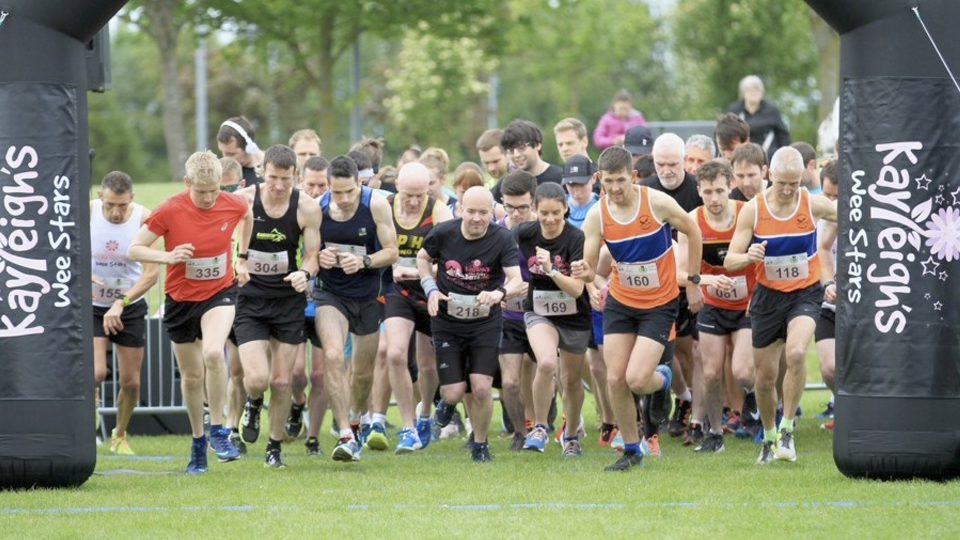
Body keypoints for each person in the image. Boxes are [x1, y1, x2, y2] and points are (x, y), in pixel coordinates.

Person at [576, 145, 704, 471]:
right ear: (598, 181)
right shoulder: (597, 215)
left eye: (620, 180)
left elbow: (692, 229)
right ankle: (632, 450)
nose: (615, 189)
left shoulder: (655, 202)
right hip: (621, 302)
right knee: (615, 379)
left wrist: (692, 280)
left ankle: (662, 378)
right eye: (608, 182)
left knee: (636, 379)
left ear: (633, 176)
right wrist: (584, 273)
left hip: (659, 305)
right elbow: (590, 269)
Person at [128, 150, 252, 474]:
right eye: (201, 192)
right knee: (192, 377)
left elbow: (247, 215)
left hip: (220, 292)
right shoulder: (170, 208)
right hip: (181, 299)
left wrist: (242, 256)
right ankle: (198, 440)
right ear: (187, 183)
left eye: (214, 190)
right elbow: (134, 249)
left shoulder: (233, 203)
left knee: (214, 353)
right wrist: (168, 257)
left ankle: (220, 431)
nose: (209, 198)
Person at [724, 146, 837, 465]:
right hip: (767, 296)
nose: (788, 190)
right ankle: (770, 434)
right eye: (782, 183)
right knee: (763, 377)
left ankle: (787, 427)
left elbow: (851, 213)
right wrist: (749, 257)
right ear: (769, 175)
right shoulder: (754, 210)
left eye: (794, 183)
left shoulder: (811, 203)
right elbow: (731, 260)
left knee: (798, 352)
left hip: (804, 293)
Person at [417, 186, 524, 463]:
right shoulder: (444, 233)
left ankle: (479, 444)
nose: (477, 218)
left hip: (484, 322)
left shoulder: (502, 238)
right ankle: (446, 403)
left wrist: (499, 293)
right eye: (471, 211)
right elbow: (423, 257)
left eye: (484, 213)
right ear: (460, 209)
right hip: (447, 321)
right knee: (453, 391)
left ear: (492, 212)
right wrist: (429, 287)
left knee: (480, 387)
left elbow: (516, 280)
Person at [233, 145, 321, 468]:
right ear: (262, 173)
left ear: (295, 176)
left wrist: (305, 273)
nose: (280, 186)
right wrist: (238, 264)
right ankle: (254, 403)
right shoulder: (244, 201)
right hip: (251, 300)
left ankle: (274, 448)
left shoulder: (307, 208)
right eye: (273, 178)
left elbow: (312, 253)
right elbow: (224, 237)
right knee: (256, 379)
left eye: (286, 179)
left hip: (287, 302)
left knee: (282, 381)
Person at [315, 155, 398, 462]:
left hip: (368, 295)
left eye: (350, 191)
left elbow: (392, 251)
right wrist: (319, 258)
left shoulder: (375, 204)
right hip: (330, 294)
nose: (345, 199)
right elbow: (308, 253)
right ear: (328, 186)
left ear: (359, 183)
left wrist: (364, 261)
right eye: (337, 193)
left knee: (362, 375)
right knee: (334, 356)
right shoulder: (317, 208)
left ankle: (354, 418)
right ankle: (344, 434)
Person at [676, 159, 756, 453]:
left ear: (730, 187)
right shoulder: (691, 221)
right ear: (698, 190)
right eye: (707, 192)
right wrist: (706, 281)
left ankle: (754, 403)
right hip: (712, 303)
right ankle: (714, 433)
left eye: (720, 191)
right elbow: (679, 272)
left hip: (747, 303)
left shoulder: (746, 214)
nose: (714, 199)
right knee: (710, 372)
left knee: (743, 372)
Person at [383, 162, 453, 453]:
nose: (413, 202)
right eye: (408, 195)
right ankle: (408, 427)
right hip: (398, 292)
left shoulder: (439, 211)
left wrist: (418, 273)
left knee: (428, 364)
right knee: (395, 353)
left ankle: (424, 416)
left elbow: (453, 262)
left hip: (430, 291)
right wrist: (391, 266)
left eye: (420, 195)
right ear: (397, 186)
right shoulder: (383, 205)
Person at [517, 183, 591, 457]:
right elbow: (499, 252)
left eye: (556, 214)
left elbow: (577, 289)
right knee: (546, 362)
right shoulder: (524, 233)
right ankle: (539, 427)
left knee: (571, 380)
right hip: (539, 310)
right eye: (544, 213)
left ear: (566, 210)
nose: (549, 220)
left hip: (574, 314)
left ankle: (571, 436)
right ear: (534, 209)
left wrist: (551, 271)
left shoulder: (575, 238)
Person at [90, 171, 159, 455]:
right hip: (92, 306)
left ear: (132, 198)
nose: (116, 213)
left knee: (131, 381)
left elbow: (152, 274)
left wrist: (122, 302)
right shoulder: (87, 212)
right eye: (110, 205)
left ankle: (119, 435)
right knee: (96, 372)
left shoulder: (145, 218)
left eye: (122, 206)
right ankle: (87, 422)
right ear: (100, 197)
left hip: (128, 306)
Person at [642, 133, 703, 450]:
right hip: (658, 284)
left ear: (684, 161)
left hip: (694, 278)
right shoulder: (646, 190)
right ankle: (684, 398)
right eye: (660, 163)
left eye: (673, 164)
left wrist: (694, 281)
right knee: (674, 351)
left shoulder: (696, 190)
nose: (666, 170)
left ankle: (700, 413)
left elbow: (701, 235)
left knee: (698, 350)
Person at [495, 171, 540, 450]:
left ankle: (542, 424)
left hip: (543, 314)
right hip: (507, 316)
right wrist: (495, 294)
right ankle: (519, 432)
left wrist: (532, 286)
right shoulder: (496, 230)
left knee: (544, 372)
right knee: (510, 383)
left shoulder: (547, 230)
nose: (516, 213)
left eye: (522, 207)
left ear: (533, 202)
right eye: (509, 206)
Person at [814, 160, 838, 430]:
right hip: (827, 302)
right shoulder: (817, 212)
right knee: (829, 368)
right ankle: (842, 406)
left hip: (859, 304)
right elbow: (821, 249)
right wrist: (827, 284)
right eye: (826, 194)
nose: (830, 202)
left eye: (836, 196)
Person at [494, 119, 563, 202]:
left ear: (537, 145)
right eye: (511, 150)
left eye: (521, 148)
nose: (516, 155)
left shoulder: (560, 179)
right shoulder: (505, 184)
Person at [727, 75, 790, 157]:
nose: (754, 93)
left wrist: (785, 155)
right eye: (750, 90)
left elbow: (782, 135)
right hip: (741, 155)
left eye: (757, 89)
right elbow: (726, 134)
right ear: (743, 93)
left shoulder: (771, 110)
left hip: (768, 155)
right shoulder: (735, 110)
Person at [217, 116, 264, 186]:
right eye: (223, 152)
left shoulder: (272, 170)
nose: (226, 158)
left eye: (231, 154)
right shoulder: (222, 172)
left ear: (249, 148)